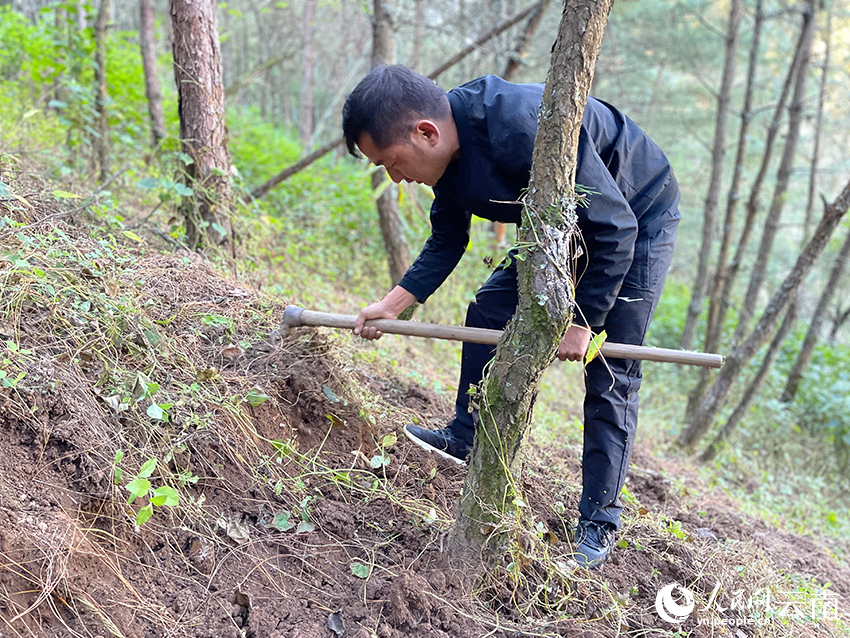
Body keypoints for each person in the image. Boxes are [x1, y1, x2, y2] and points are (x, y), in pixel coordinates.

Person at [342, 65, 680, 568]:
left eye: (390, 162)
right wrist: (391, 306)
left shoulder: (518, 125)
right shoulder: (447, 160)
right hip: (559, 223)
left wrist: (581, 321)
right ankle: (466, 433)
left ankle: (599, 521)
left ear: (426, 133)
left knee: (609, 368)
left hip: (635, 215)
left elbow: (614, 228)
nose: (394, 177)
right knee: (487, 311)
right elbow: (448, 239)